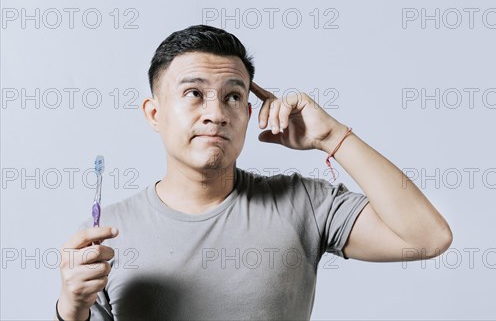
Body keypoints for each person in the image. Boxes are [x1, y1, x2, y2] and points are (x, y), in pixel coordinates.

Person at [55, 25, 453, 321]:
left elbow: (427, 237)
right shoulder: (107, 233)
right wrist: (70, 310)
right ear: (154, 113)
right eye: (194, 94)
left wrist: (332, 136)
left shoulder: (303, 204)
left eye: (233, 96)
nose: (215, 113)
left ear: (248, 114)